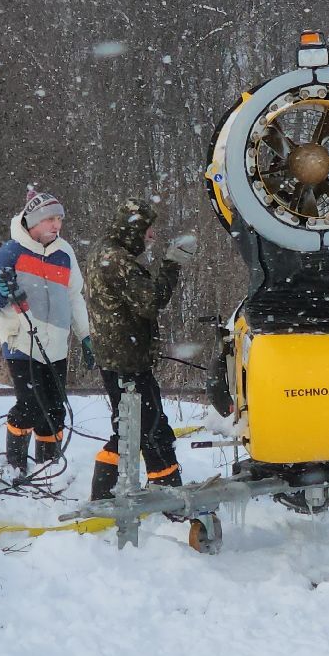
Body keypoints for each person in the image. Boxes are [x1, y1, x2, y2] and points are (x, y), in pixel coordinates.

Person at [86, 197, 199, 500]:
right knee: (136, 430)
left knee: (151, 427)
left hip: (124, 357)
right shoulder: (115, 259)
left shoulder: (107, 253)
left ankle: (165, 491)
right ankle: (107, 496)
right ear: (134, 228)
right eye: (149, 229)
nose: (152, 235)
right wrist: (172, 264)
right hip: (126, 361)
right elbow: (151, 301)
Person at [0, 190, 95, 475]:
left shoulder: (65, 253)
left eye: (59, 220)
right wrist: (1, 293)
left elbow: (75, 296)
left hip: (56, 343)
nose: (56, 225)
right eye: (49, 220)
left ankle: (48, 468)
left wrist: (86, 336)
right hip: (21, 341)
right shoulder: (10, 252)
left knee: (54, 409)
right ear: (32, 222)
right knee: (30, 405)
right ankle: (15, 466)